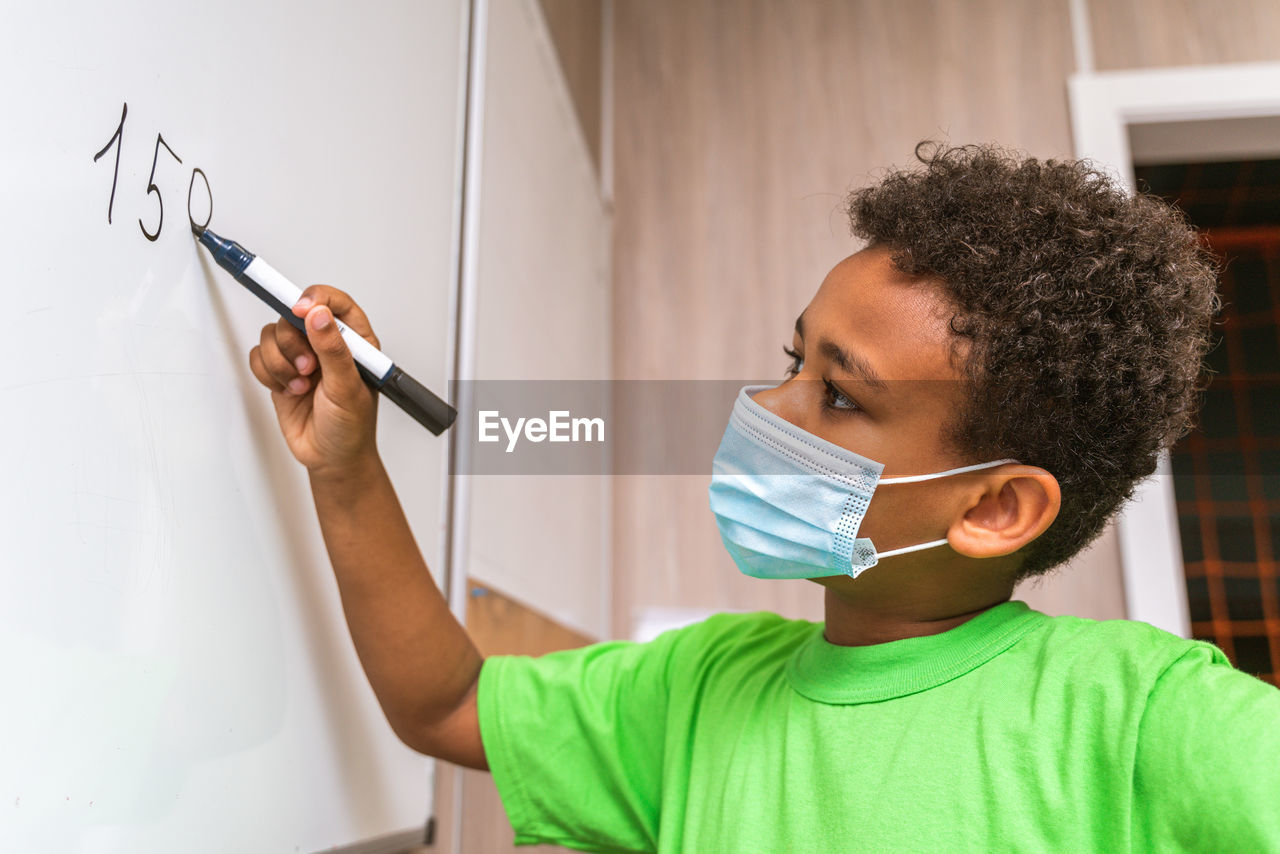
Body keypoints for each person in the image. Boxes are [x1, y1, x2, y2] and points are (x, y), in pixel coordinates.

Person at [248, 142, 1280, 852]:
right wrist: (345, 466)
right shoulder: (704, 687)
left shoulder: (1138, 715)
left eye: (836, 393)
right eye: (791, 358)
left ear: (993, 509)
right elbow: (448, 703)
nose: (764, 405)